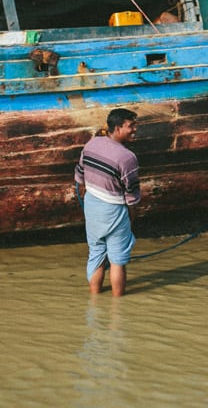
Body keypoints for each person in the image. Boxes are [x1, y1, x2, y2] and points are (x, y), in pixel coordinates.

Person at [75, 108, 140, 296]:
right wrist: (133, 217)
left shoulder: (92, 144)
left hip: (92, 206)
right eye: (131, 126)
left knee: (96, 255)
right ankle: (117, 304)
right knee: (117, 261)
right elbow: (131, 195)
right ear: (118, 128)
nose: (135, 129)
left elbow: (80, 174)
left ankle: (95, 298)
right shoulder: (127, 158)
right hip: (114, 210)